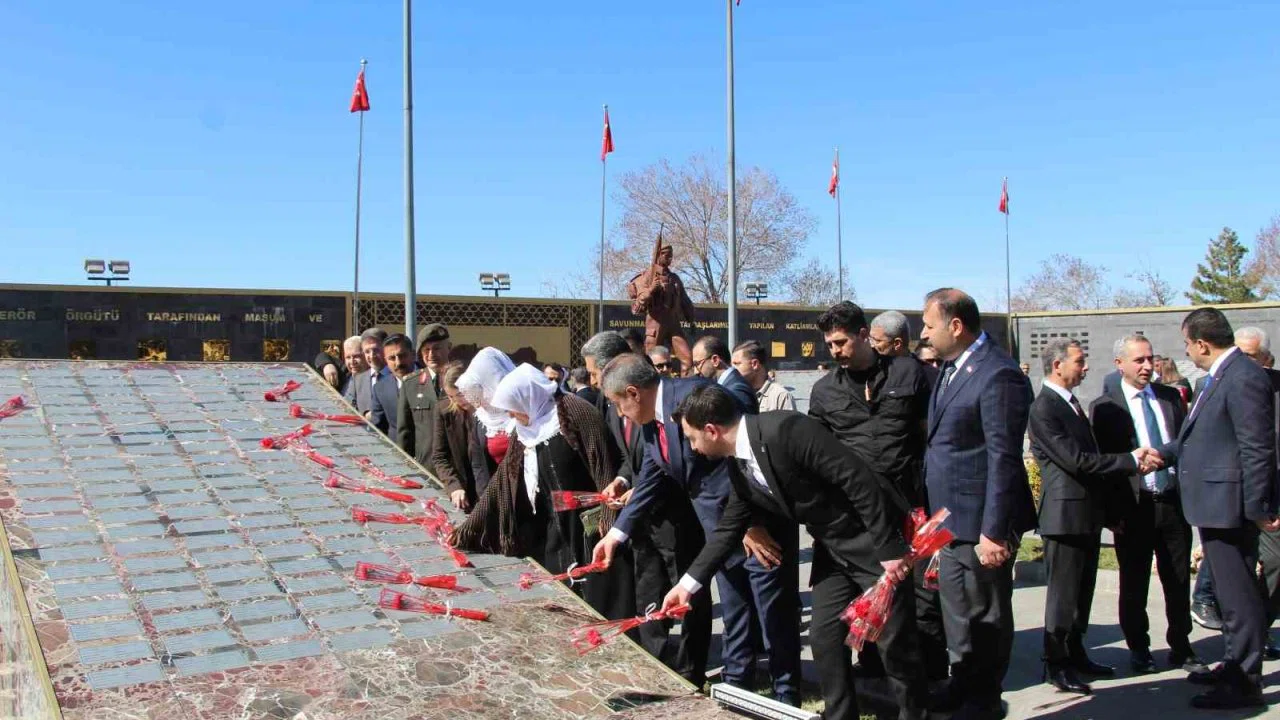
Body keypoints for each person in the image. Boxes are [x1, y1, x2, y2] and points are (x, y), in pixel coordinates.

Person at [659, 385, 925, 720]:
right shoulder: (738, 463)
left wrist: (889, 547)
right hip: (833, 551)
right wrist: (687, 586)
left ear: (711, 430)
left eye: (692, 437)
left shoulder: (786, 429)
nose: (692, 447)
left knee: (894, 644)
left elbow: (857, 479)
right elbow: (728, 529)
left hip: (874, 544)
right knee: (825, 635)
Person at [593, 355, 801, 705]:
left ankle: (786, 699)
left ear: (634, 393)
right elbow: (653, 474)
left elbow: (741, 456)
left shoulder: (694, 397)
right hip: (719, 531)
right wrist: (618, 532)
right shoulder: (651, 419)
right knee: (735, 616)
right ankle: (737, 693)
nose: (618, 413)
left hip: (756, 528)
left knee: (774, 620)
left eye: (617, 404)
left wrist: (750, 523)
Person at [1151, 308, 1278, 709]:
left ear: (1202, 343)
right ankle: (1236, 662)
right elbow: (1200, 439)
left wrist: (1257, 505)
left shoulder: (1243, 377)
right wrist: (1163, 454)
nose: (1186, 351)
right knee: (1230, 593)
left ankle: (1244, 681)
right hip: (1214, 504)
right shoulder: (1218, 378)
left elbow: (1256, 446)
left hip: (1233, 506)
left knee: (1238, 598)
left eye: (1187, 344)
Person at [808, 301, 943, 681]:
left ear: (864, 335)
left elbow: (932, 433)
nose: (834, 351)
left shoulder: (910, 373)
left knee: (921, 601)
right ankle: (872, 672)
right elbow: (816, 456)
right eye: (829, 345)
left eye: (840, 342)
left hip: (911, 512)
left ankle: (930, 680)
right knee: (866, 599)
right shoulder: (824, 392)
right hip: (857, 518)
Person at [920, 288, 1035, 720]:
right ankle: (963, 684)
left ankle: (985, 699)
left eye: (930, 325)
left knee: (985, 615)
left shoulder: (997, 374)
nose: (925, 334)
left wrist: (994, 530)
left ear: (955, 325)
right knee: (957, 613)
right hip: (949, 523)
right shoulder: (951, 368)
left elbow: (1002, 457)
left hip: (980, 523)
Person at [450, 364, 626, 616]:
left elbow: (604, 466)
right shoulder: (525, 428)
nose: (512, 416)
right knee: (564, 596)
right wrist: (468, 529)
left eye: (514, 409)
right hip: (553, 526)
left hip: (589, 525)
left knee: (598, 594)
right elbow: (503, 480)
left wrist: (608, 523)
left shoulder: (575, 412)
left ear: (528, 397)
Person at [581, 333, 700, 682]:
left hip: (677, 515)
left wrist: (639, 490)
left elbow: (673, 465)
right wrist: (622, 481)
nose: (591, 380)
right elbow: (635, 460)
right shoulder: (614, 402)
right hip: (641, 518)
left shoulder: (675, 402)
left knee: (687, 593)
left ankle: (692, 668)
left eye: (594, 372)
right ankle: (658, 662)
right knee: (647, 591)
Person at [1029, 338, 1142, 695]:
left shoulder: (1072, 403)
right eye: (1080, 361)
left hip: (1086, 515)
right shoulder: (1044, 408)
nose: (1086, 367)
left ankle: (1077, 654)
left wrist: (1108, 512)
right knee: (1063, 597)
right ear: (1057, 365)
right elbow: (1077, 461)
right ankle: (1055, 663)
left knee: (1082, 594)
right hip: (1064, 518)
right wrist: (1132, 460)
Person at [1089, 335, 1206, 676]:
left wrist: (1165, 457)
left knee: (1177, 579)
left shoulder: (1170, 398)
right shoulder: (1106, 407)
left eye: (1150, 359)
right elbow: (1105, 464)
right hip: (1134, 507)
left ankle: (1181, 646)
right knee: (1134, 581)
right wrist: (1112, 514)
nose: (1146, 366)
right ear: (1119, 364)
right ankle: (1139, 648)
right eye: (1138, 360)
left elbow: (1186, 442)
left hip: (1171, 503)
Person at [627, 233, 696, 370]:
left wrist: (691, 319)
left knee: (687, 359)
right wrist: (651, 289)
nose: (670, 258)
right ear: (658, 255)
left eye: (671, 255)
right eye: (666, 255)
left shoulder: (674, 278)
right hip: (655, 324)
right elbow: (638, 304)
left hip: (673, 323)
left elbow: (685, 301)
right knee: (650, 362)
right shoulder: (647, 277)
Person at [431, 361, 493, 512]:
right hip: (464, 492)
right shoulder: (445, 411)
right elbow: (439, 456)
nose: (456, 401)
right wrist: (454, 486)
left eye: (459, 395)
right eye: (450, 396)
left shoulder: (490, 412)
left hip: (490, 490)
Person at [456, 347, 517, 472]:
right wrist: (485, 491)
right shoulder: (482, 417)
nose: (479, 400)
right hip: (495, 487)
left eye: (481, 389)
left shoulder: (523, 411)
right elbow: (478, 463)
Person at [690, 335, 758, 413]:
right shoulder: (727, 387)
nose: (696, 372)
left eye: (697, 364)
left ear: (715, 360)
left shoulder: (736, 390)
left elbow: (744, 423)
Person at [731, 339, 796, 411]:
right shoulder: (733, 394)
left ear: (755, 364)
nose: (732, 369)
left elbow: (791, 422)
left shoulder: (780, 396)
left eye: (737, 364)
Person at [370, 333, 412, 438]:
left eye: (402, 356)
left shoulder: (430, 380)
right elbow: (378, 429)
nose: (398, 363)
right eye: (392, 358)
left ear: (413, 354)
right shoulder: (380, 389)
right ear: (386, 360)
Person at [349, 328, 389, 417]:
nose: (372, 356)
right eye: (367, 351)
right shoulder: (357, 380)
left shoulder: (398, 376)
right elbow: (349, 410)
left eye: (376, 350)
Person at [339, 336, 367, 401]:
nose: (352, 361)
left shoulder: (376, 382)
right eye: (348, 357)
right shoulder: (343, 373)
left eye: (356, 356)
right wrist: (328, 365)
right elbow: (322, 356)